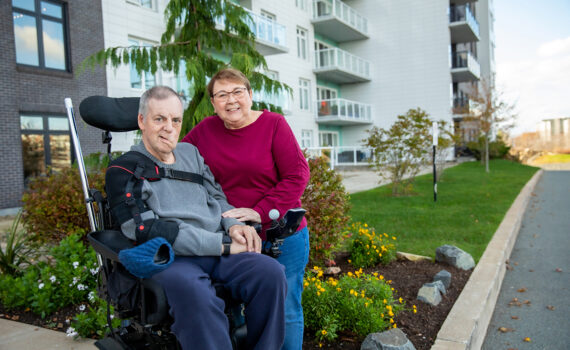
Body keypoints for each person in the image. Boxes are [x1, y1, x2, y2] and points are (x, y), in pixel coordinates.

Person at [105, 85, 287, 350]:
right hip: (171, 258)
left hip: (218, 249)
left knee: (270, 273)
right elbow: (145, 229)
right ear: (142, 121)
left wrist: (233, 225)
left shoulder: (190, 154)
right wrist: (224, 245)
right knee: (196, 294)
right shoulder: (123, 169)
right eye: (159, 119)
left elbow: (217, 197)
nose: (169, 127)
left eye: (175, 120)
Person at [182, 68, 310, 350]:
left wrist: (259, 212)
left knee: (284, 313)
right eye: (222, 94)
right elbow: (176, 160)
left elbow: (298, 175)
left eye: (238, 91)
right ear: (213, 103)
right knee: (233, 312)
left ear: (250, 95)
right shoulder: (205, 131)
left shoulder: (274, 124)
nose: (232, 100)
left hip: (280, 236)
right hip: (234, 238)